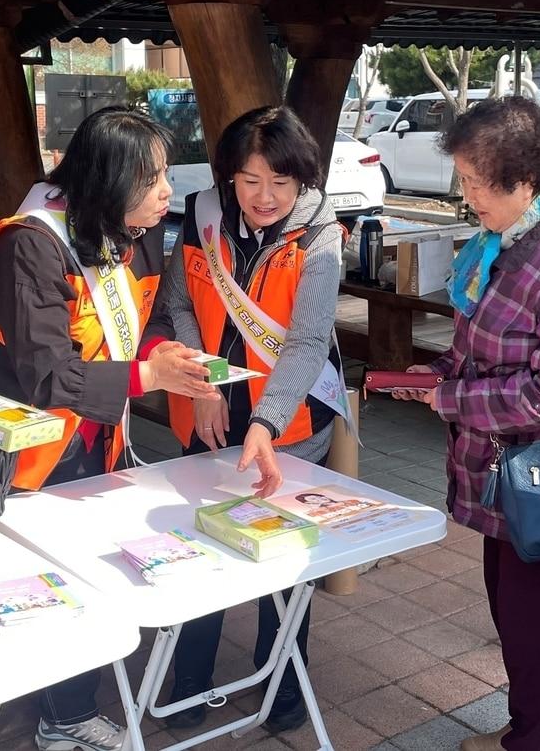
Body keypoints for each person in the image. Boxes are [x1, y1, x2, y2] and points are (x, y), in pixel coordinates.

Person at [0, 105, 218, 751]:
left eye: (165, 176)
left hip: (92, 439)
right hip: (11, 447)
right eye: (151, 178)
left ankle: (67, 714)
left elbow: (143, 317)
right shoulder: (31, 243)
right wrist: (150, 377)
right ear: (105, 179)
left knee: (85, 579)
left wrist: (164, 354)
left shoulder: (136, 229)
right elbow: (47, 375)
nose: (165, 192)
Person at [391, 97, 540, 751]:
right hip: (509, 473)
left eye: (474, 182)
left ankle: (537, 740)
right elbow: (490, 343)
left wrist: (451, 398)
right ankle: (532, 728)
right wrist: (439, 374)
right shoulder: (517, 236)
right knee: (518, 619)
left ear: (523, 181)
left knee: (538, 627)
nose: (467, 197)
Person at [150, 105, 348, 732]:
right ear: (229, 176)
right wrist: (204, 384)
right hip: (205, 414)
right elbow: (179, 303)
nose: (266, 197)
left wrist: (263, 421)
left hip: (290, 425)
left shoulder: (321, 235)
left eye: (281, 183)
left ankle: (284, 688)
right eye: (251, 180)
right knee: (196, 542)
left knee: (283, 560)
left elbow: (309, 341)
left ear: (303, 182)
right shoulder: (200, 217)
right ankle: (188, 681)